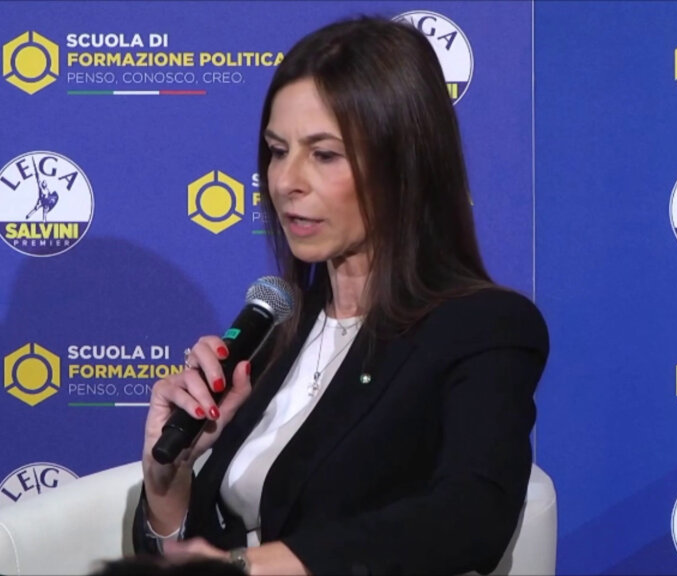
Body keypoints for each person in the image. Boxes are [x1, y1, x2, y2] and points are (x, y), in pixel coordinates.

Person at [133, 15, 548, 575]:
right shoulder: (277, 329)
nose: (286, 181)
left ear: (405, 165)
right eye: (277, 150)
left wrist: (253, 565)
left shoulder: (483, 328)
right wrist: (168, 482)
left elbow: (472, 516)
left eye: (324, 154)